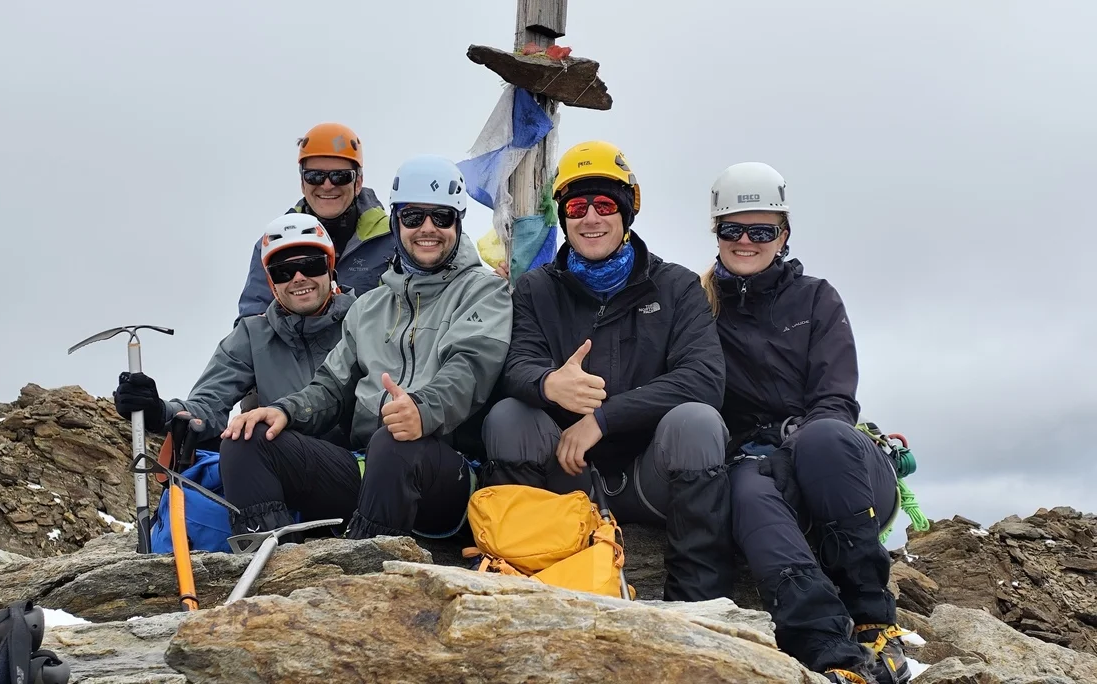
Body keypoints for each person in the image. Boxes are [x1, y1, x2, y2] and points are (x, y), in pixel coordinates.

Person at [479, 140, 732, 603]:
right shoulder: (537, 289)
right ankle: (522, 587)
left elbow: (704, 378)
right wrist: (547, 383)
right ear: (563, 216)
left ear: (626, 213)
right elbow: (515, 365)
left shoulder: (676, 288)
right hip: (565, 477)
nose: (590, 217)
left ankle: (697, 605)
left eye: (604, 204)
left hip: (650, 479)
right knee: (509, 416)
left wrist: (603, 418)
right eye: (577, 205)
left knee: (697, 422)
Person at [218, 154, 513, 541]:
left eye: (441, 217)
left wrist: (421, 411)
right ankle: (275, 567)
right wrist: (283, 411)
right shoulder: (369, 306)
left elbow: (469, 371)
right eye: (412, 217)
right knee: (249, 437)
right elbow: (329, 387)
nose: (427, 229)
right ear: (395, 221)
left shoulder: (486, 292)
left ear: (458, 222)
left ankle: (369, 568)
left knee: (396, 439)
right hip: (366, 468)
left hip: (446, 476)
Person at [703, 162, 911, 684]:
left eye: (761, 230)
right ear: (717, 232)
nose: (745, 241)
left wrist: (790, 447)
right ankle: (827, 648)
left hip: (840, 464)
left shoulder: (817, 297)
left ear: (784, 234)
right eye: (733, 229)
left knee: (820, 438)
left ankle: (872, 620)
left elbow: (836, 400)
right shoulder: (699, 306)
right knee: (745, 490)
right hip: (760, 464)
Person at [113, 213, 356, 441]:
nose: (299, 278)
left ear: (329, 268)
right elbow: (208, 406)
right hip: (287, 462)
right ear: (271, 284)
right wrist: (158, 410)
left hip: (366, 464)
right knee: (242, 438)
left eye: (311, 265)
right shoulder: (252, 336)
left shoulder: (364, 318)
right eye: (283, 271)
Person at [234, 122, 394, 325]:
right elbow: (251, 327)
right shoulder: (271, 246)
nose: (327, 186)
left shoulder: (392, 240)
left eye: (340, 176)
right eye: (315, 176)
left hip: (372, 356)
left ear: (358, 182)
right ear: (302, 182)